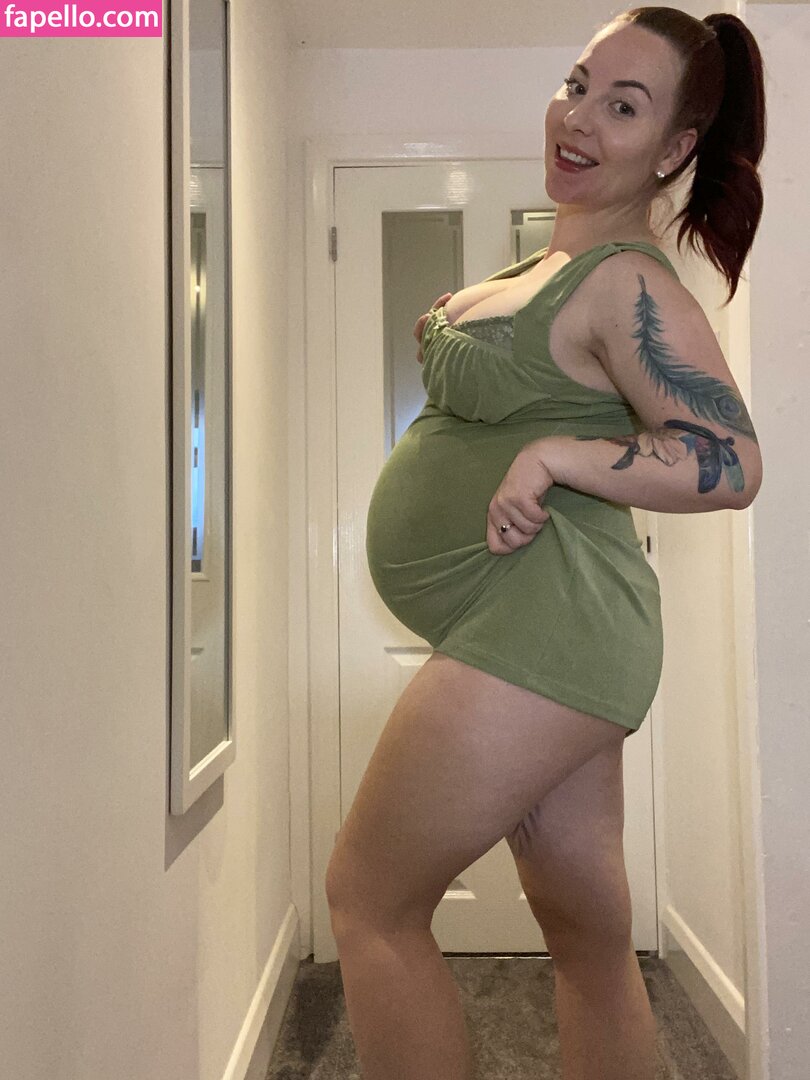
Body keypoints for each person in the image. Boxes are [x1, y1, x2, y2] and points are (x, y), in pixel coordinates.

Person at [326, 7, 766, 1079]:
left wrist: (557, 454)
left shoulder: (629, 281)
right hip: (545, 626)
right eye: (577, 85)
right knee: (587, 939)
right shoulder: (548, 265)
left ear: (672, 149)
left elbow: (732, 459)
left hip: (546, 625)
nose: (579, 118)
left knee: (369, 899)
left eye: (624, 106)